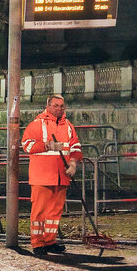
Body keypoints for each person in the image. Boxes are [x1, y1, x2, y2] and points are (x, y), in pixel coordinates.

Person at [22, 94, 81, 255]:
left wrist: (74, 163)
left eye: (62, 106)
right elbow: (27, 145)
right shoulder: (36, 124)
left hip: (62, 175)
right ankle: (37, 244)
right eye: (56, 105)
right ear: (48, 106)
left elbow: (75, 146)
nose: (59, 109)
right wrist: (46, 146)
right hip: (42, 175)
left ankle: (50, 241)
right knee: (40, 211)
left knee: (54, 212)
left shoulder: (68, 125)